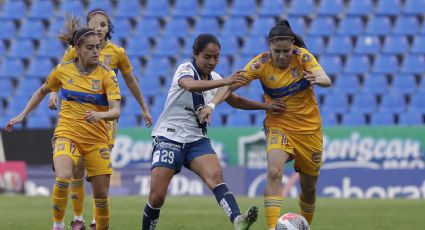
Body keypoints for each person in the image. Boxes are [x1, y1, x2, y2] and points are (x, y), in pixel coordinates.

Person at [142, 33, 285, 230]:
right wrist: (225, 82)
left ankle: (238, 220)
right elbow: (190, 85)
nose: (212, 61)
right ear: (195, 54)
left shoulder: (216, 78)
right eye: (207, 57)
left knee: (216, 177)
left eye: (216, 57)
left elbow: (236, 101)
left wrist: (266, 106)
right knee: (157, 197)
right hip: (169, 136)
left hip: (196, 140)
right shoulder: (185, 69)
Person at [199, 20, 332, 229]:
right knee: (274, 172)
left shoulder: (303, 57)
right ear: (269, 46)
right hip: (279, 125)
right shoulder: (260, 64)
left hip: (309, 131)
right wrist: (212, 106)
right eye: (276, 51)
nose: (281, 56)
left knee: (309, 189)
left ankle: (305, 226)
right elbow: (232, 85)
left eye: (286, 51)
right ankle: (272, 227)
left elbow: (326, 78)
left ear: (293, 46)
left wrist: (318, 78)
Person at [5, 16, 121, 230]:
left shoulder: (107, 75)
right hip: (68, 134)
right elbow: (42, 91)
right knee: (63, 176)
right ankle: (58, 225)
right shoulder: (63, 70)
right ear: (77, 49)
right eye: (90, 48)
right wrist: (22, 115)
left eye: (98, 47)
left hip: (97, 140)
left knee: (101, 196)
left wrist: (101, 115)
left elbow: (116, 110)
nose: (96, 52)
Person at [48, 9, 153, 230]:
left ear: (109, 28)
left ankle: (98, 221)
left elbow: (131, 82)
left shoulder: (117, 53)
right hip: (79, 120)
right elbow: (59, 78)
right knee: (75, 169)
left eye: (103, 25)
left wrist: (144, 108)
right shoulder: (74, 52)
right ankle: (78, 219)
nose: (98, 28)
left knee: (96, 173)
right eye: (93, 24)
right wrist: (53, 93)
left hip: (105, 121)